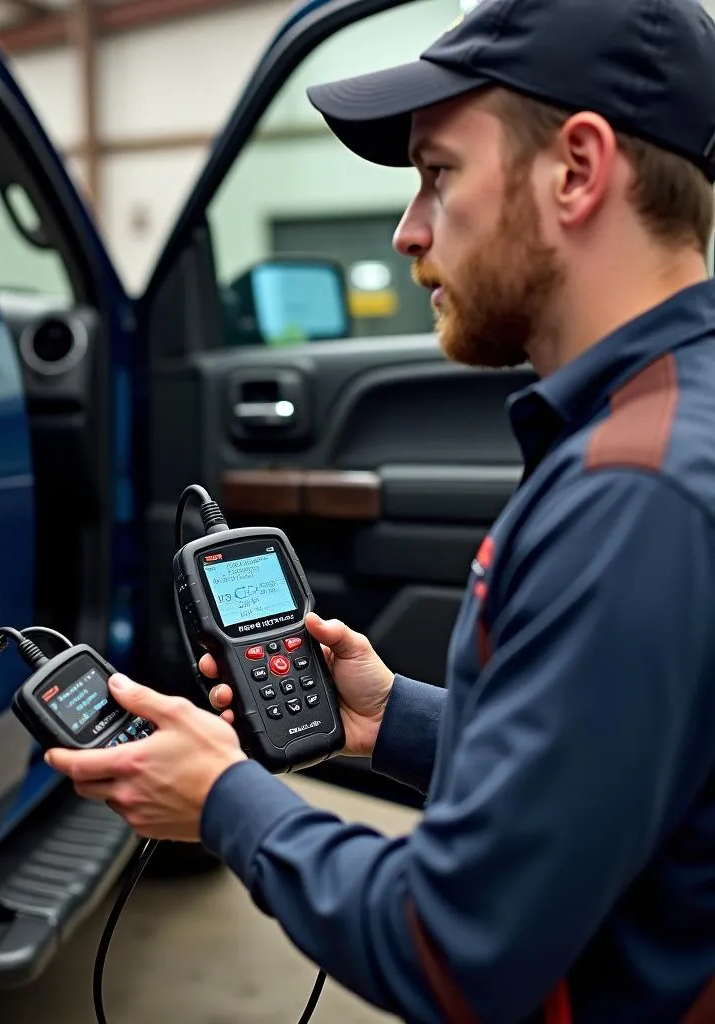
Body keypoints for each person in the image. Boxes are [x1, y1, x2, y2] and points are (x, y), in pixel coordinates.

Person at [45, 0, 715, 1018]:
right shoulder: (667, 431)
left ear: (575, 169)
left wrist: (225, 799)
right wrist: (390, 717)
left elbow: (451, 952)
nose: (407, 230)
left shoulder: (631, 498)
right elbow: (609, 774)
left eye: (438, 173)